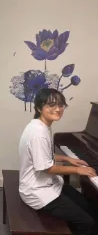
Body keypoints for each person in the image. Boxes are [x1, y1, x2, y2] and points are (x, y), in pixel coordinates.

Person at [19, 88, 98, 235]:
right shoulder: (38, 133)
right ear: (39, 107)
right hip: (37, 191)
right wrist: (77, 170)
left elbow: (45, 154)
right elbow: (46, 168)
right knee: (87, 222)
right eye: (51, 105)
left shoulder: (40, 125)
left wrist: (66, 158)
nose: (58, 109)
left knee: (87, 206)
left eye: (61, 105)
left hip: (48, 184)